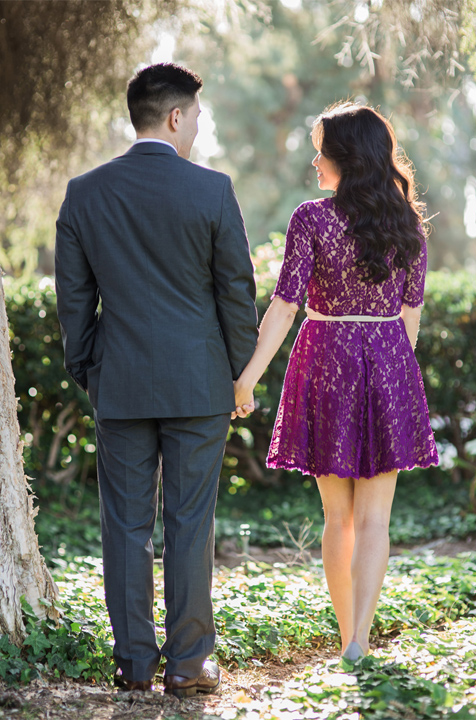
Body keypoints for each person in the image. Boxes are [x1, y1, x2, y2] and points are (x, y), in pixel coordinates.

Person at [55, 63, 259, 697]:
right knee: (190, 521)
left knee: (125, 524)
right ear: (175, 117)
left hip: (118, 383)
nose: (198, 126)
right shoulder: (213, 190)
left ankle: (134, 664)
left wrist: (89, 371)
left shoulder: (84, 193)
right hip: (199, 385)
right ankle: (191, 664)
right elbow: (236, 294)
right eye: (196, 116)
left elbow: (73, 301)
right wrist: (238, 373)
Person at [232, 102, 439, 662]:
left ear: (344, 155)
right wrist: (391, 373)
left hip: (326, 358)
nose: (314, 158)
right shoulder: (408, 224)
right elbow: (410, 320)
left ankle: (348, 632)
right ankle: (359, 642)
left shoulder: (312, 218)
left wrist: (247, 378)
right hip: (389, 357)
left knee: (337, 517)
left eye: (321, 148)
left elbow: (283, 307)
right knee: (375, 518)